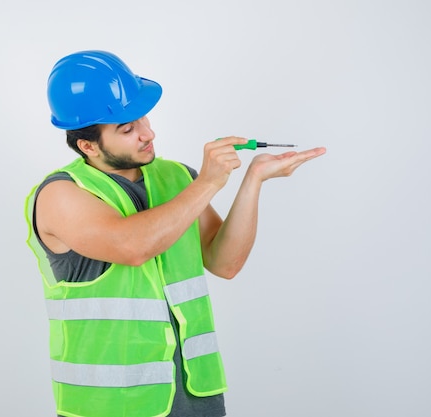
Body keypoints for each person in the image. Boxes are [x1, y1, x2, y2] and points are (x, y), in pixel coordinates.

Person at [24, 50, 326, 417]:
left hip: (196, 396)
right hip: (112, 406)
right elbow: (132, 246)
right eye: (127, 129)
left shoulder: (176, 178)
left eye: (142, 119)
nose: (148, 133)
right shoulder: (62, 194)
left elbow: (225, 262)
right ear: (88, 145)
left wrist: (252, 180)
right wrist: (210, 182)